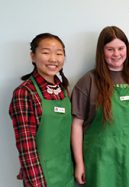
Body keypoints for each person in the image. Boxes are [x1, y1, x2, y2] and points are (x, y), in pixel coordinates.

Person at [71, 26, 129, 187]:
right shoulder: (88, 81)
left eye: (120, 48)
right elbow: (76, 125)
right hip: (99, 162)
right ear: (101, 51)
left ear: (127, 50)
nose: (116, 54)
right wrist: (80, 163)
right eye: (110, 49)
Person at [9, 33, 75, 187]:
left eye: (59, 53)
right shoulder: (25, 93)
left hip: (66, 173)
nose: (53, 59)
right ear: (33, 56)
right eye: (46, 52)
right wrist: (37, 183)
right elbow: (26, 145)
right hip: (40, 177)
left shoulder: (64, 89)